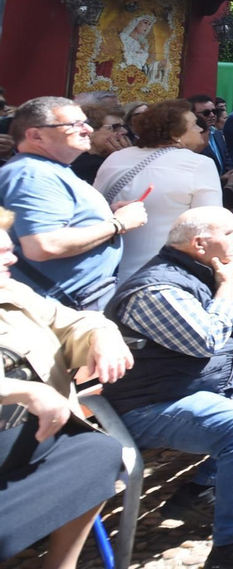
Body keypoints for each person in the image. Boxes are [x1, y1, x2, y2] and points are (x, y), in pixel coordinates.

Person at [103, 208, 233, 569]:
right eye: (231, 233)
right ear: (199, 244)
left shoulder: (200, 274)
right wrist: (226, 284)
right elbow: (207, 340)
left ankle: (202, 491)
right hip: (151, 407)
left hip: (199, 392)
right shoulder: (156, 289)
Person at [0, 206, 132, 568]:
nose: (13, 256)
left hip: (34, 436)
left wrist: (102, 334)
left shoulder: (11, 291)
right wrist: (22, 391)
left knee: (98, 452)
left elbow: (72, 320)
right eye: (1, 251)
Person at [0, 97, 146, 310]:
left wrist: (105, 212)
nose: (87, 129)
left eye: (85, 122)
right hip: (58, 308)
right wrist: (117, 224)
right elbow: (43, 245)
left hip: (71, 302)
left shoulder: (46, 168)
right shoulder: (32, 174)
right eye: (75, 125)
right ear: (35, 135)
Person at [94, 99, 224, 281]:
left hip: (107, 272)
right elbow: (210, 225)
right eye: (194, 125)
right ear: (176, 134)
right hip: (164, 275)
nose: (199, 130)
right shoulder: (199, 164)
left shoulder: (115, 157)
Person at [71, 103, 130, 184]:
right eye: (116, 127)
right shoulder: (89, 165)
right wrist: (125, 160)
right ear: (89, 132)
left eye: (124, 126)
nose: (124, 131)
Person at [187, 94, 231, 178]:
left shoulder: (217, 133)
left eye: (214, 111)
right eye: (206, 113)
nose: (212, 115)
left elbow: (226, 159)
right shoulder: (189, 139)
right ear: (192, 114)